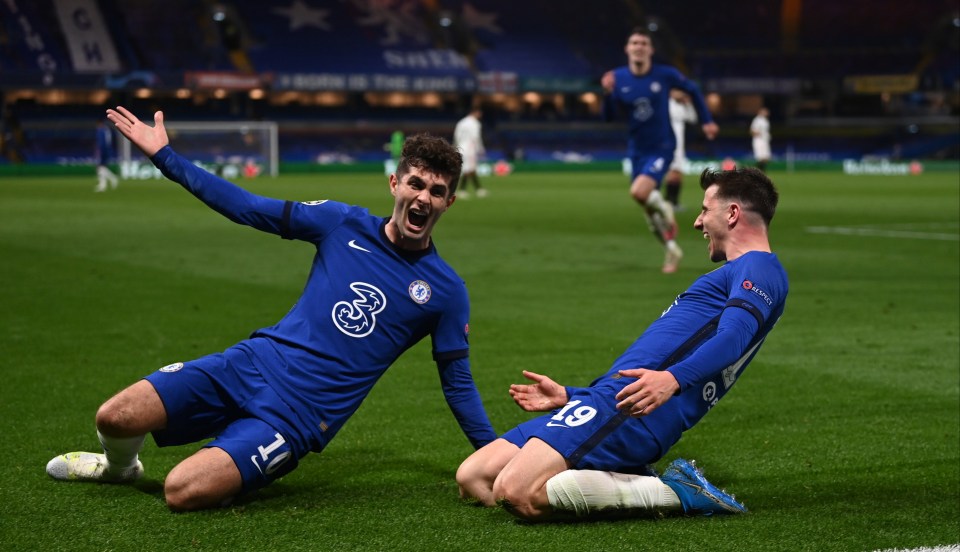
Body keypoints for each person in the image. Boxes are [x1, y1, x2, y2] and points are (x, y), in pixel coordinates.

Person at [46, 106, 497, 511]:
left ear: (449, 202)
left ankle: (238, 454)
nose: (423, 198)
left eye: (437, 192)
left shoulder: (445, 291)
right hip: (252, 363)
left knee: (182, 491)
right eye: (416, 184)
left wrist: (497, 456)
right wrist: (166, 157)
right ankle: (120, 469)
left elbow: (457, 387)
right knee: (115, 416)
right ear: (395, 183)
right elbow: (246, 207)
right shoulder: (341, 222)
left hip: (297, 417)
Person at [457, 167, 787, 522]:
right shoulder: (742, 271)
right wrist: (573, 395)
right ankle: (619, 475)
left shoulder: (759, 268)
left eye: (705, 210)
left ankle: (673, 493)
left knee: (517, 491)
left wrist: (672, 379)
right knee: (473, 478)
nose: (696, 222)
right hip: (609, 398)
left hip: (638, 410)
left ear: (733, 213)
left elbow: (733, 339)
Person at [601, 27, 719, 274]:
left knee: (639, 192)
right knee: (646, 208)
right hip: (637, 148)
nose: (639, 46)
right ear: (627, 49)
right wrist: (608, 94)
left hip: (662, 145)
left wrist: (706, 120)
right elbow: (610, 117)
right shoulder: (619, 77)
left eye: (643, 43)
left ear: (651, 50)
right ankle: (671, 248)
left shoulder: (664, 75)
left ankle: (666, 206)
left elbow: (693, 90)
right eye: (634, 42)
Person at [664, 90, 698, 211]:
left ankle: (674, 202)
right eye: (677, 92)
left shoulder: (682, 105)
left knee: (678, 173)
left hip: (680, 144)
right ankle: (668, 201)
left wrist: (687, 103)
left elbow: (693, 118)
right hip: (669, 142)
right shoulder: (666, 103)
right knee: (672, 173)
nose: (681, 94)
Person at [453, 106, 486, 199]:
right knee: (467, 169)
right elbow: (476, 137)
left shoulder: (461, 122)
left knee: (469, 169)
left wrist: (456, 147)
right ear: (476, 112)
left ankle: (479, 189)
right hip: (470, 148)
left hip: (460, 147)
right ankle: (462, 190)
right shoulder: (475, 123)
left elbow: (456, 136)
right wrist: (480, 149)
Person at [93, 119, 119, 192]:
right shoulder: (107, 130)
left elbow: (101, 143)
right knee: (102, 167)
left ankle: (106, 183)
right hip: (107, 150)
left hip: (103, 151)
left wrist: (99, 152)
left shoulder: (101, 131)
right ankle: (104, 184)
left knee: (100, 167)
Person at [750, 107, 771, 172]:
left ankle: (761, 171)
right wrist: (760, 134)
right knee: (760, 158)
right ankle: (757, 172)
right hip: (759, 141)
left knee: (766, 158)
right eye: (765, 111)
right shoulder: (757, 120)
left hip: (765, 141)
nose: (766, 113)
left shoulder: (765, 120)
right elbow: (752, 131)